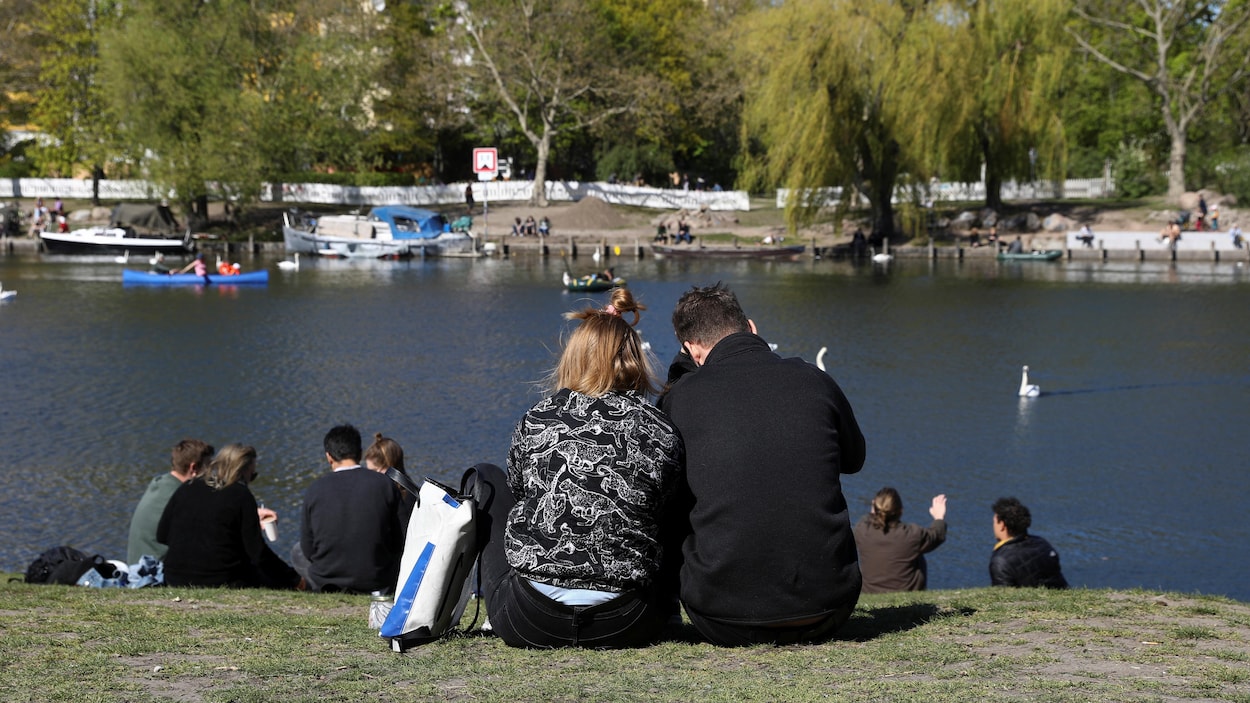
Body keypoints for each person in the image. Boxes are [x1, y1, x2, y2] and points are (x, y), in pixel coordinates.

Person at [471, 287, 684, 648]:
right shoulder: (659, 428)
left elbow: (522, 495)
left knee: (486, 479)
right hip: (629, 620)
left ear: (574, 357)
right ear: (634, 360)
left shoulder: (536, 420)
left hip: (530, 620)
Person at [660, 283, 866, 646]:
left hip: (721, 617)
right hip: (829, 609)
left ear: (691, 349)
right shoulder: (815, 380)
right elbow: (854, 459)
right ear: (751, 327)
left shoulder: (682, 397)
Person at [157, 444, 301, 589]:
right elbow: (257, 553)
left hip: (174, 576)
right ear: (243, 471)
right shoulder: (240, 495)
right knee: (269, 577)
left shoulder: (187, 487)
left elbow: (162, 535)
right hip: (221, 578)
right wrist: (294, 579)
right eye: (252, 475)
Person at [291, 424, 405, 594]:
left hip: (327, 580)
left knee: (297, 551)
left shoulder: (315, 489)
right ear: (359, 453)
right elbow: (400, 539)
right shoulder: (384, 484)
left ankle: (312, 588)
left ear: (329, 457)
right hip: (376, 578)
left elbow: (308, 548)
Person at [126, 439, 216, 564]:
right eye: (209, 467)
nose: (211, 474)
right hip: (157, 572)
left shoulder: (159, 483)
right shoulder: (183, 496)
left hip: (137, 564)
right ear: (193, 468)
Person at [852, 488, 947, 593]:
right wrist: (939, 517)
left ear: (874, 508)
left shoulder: (862, 531)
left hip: (869, 592)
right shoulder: (912, 535)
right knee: (917, 551)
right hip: (908, 592)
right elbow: (937, 534)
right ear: (901, 511)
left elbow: (866, 519)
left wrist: (875, 510)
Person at [989, 497, 1068, 589]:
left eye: (994, 522)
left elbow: (1003, 597)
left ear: (1002, 525)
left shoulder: (1000, 561)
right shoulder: (1043, 544)